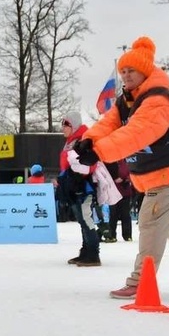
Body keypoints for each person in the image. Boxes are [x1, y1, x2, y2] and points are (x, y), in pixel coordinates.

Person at [75, 36, 169, 298]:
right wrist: (88, 142)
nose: (126, 76)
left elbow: (136, 134)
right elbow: (109, 124)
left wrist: (98, 152)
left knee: (150, 222)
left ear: (145, 72)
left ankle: (141, 281)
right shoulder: (126, 100)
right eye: (123, 71)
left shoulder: (157, 101)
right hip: (161, 171)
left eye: (131, 71)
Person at [57, 111, 101, 267]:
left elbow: (90, 162)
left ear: (73, 125)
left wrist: (77, 174)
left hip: (83, 185)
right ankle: (86, 251)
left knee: (86, 218)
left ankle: (93, 253)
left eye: (65, 125)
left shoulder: (83, 139)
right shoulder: (70, 141)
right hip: (73, 184)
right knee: (81, 219)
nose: (63, 128)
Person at [107, 159, 134, 241]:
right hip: (113, 192)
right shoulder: (110, 162)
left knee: (125, 214)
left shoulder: (126, 162)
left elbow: (133, 173)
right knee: (113, 214)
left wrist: (126, 179)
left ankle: (127, 235)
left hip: (125, 191)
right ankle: (111, 235)